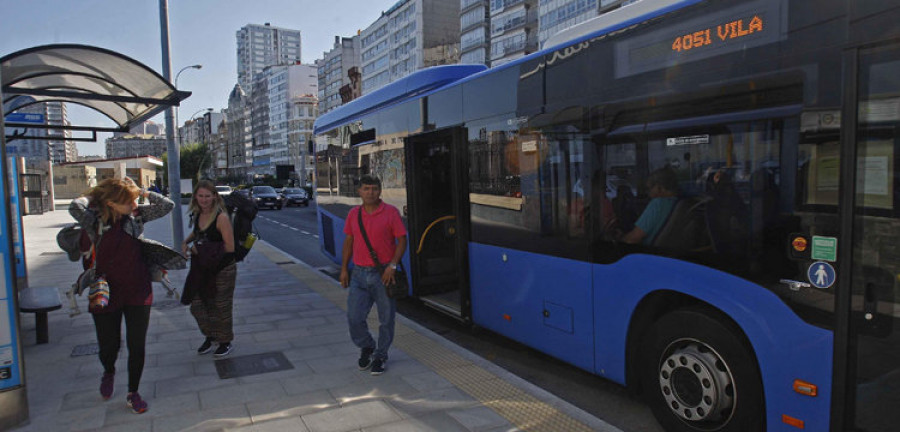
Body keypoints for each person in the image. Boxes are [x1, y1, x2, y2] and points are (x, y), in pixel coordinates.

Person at [69, 177, 174, 414]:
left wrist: (143, 192)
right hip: (105, 290)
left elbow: (167, 206)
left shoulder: (136, 217)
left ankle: (133, 392)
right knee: (109, 345)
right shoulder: (93, 220)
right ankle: (109, 370)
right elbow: (74, 206)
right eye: (127, 200)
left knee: (137, 345)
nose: (133, 204)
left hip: (138, 288)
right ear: (112, 203)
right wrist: (95, 196)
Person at [339, 175, 407, 375]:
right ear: (359, 192)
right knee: (354, 317)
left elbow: (402, 240)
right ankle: (367, 345)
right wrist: (344, 268)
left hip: (384, 273)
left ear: (380, 191)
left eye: (374, 188)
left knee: (386, 319)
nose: (371, 192)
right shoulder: (354, 214)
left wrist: (392, 266)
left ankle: (380, 355)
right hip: (359, 273)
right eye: (366, 188)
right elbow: (349, 242)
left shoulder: (391, 213)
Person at [181, 180, 238, 358]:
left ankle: (225, 341)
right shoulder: (198, 214)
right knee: (198, 305)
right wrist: (185, 242)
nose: (204, 199)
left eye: (207, 196)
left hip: (223, 269)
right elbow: (199, 233)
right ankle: (211, 336)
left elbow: (230, 247)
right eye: (200, 196)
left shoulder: (221, 217)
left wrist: (200, 248)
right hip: (203, 267)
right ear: (195, 197)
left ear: (214, 196)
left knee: (221, 305)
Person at [622, 166, 679, 245]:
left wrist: (620, 239)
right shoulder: (677, 203)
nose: (648, 193)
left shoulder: (658, 204)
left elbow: (633, 238)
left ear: (660, 188)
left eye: (649, 189)